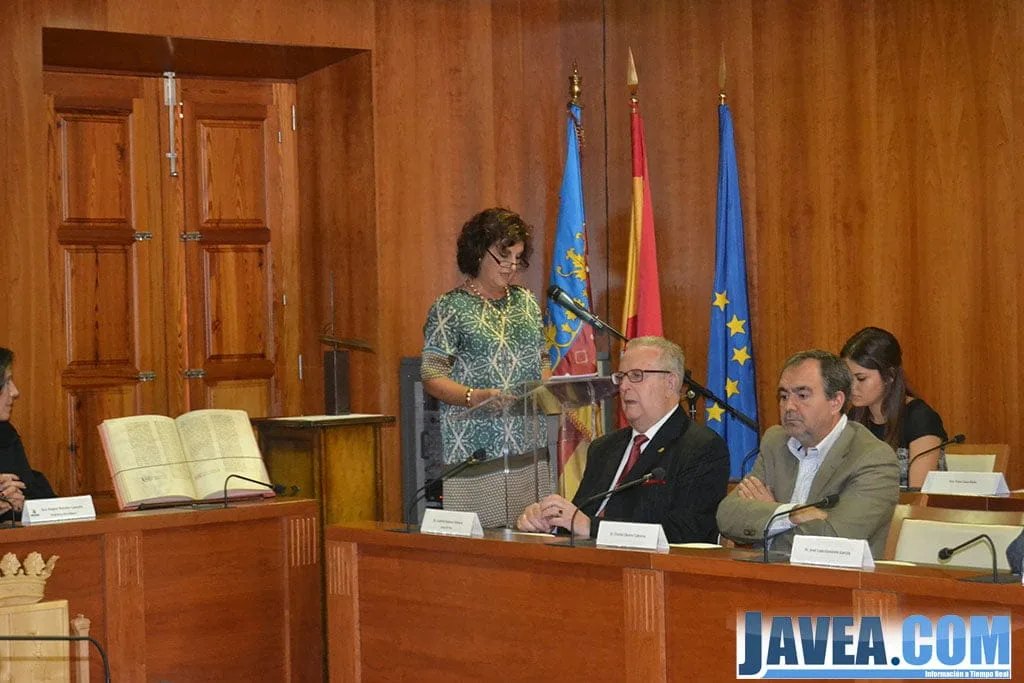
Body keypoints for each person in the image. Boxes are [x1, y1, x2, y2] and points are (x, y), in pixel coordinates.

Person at [516, 336, 729, 543]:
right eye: (621, 377)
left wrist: (591, 527)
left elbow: (686, 533)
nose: (624, 386)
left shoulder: (701, 447)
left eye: (636, 376)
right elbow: (582, 517)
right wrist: (550, 521)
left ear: (670, 382)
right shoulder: (603, 448)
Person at [716, 350, 899, 559]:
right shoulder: (776, 442)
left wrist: (767, 519)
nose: (789, 407)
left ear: (836, 401)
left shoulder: (872, 457)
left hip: (836, 585)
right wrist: (791, 514)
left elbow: (833, 542)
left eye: (802, 396)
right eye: (784, 396)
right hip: (767, 580)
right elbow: (727, 516)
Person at [421, 208, 547, 465]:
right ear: (479, 251)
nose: (511, 266)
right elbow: (432, 376)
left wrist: (544, 391)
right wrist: (474, 397)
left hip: (530, 449)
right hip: (474, 451)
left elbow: (542, 361)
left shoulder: (527, 302)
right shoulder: (450, 307)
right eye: (503, 255)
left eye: (518, 257)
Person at [840, 326, 948, 488]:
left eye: (861, 378)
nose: (852, 387)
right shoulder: (855, 416)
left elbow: (918, 495)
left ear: (889, 376)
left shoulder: (920, 418)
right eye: (848, 378)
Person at [0, 347, 56, 521]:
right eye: (7, 382)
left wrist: (21, 505)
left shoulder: (5, 434)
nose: (15, 392)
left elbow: (35, 492)